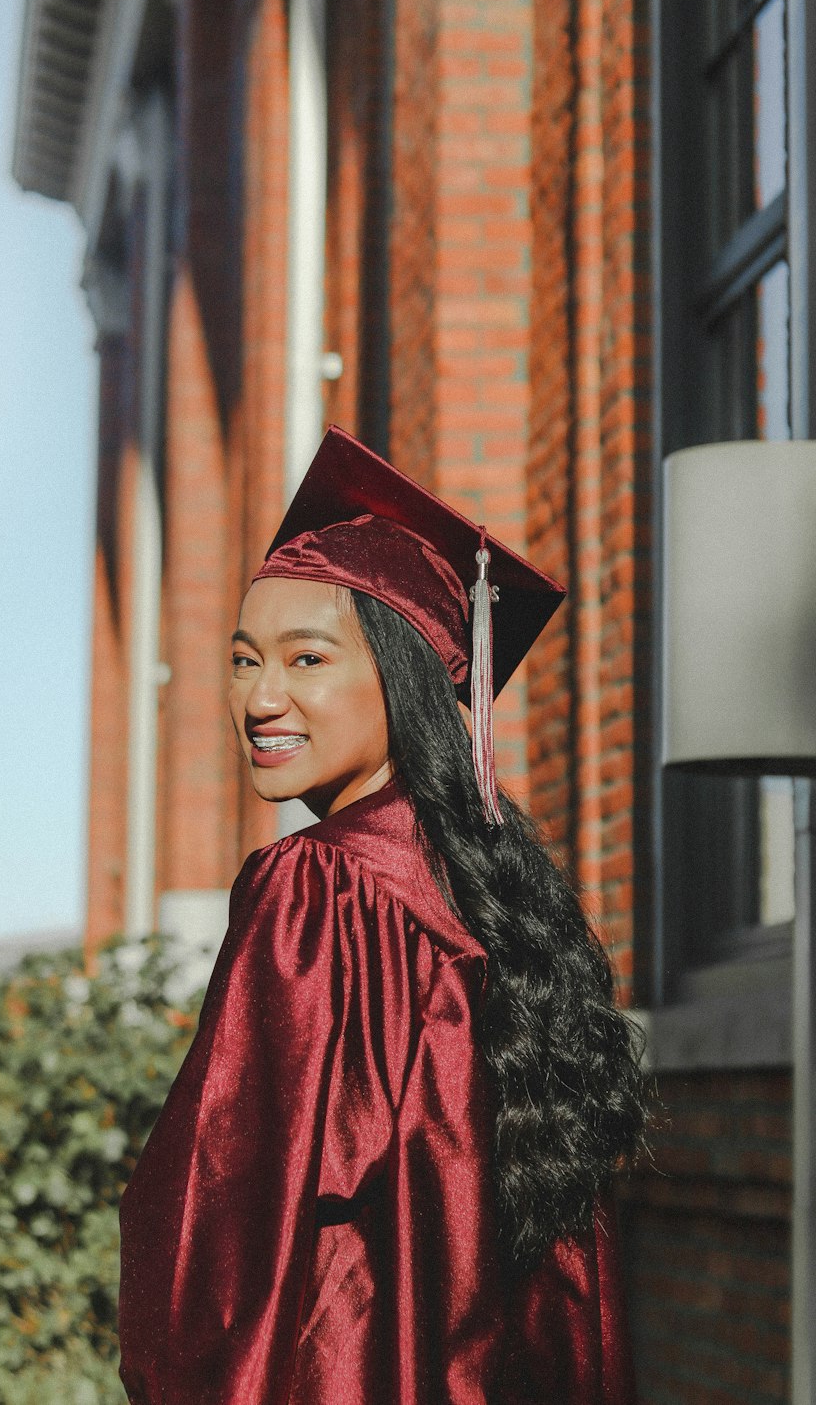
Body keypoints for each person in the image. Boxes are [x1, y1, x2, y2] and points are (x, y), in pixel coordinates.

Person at [118, 426, 645, 1404]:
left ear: (402, 678)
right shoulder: (501, 897)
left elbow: (222, 1223)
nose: (260, 698)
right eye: (241, 661)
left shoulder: (314, 888)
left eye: (305, 658)